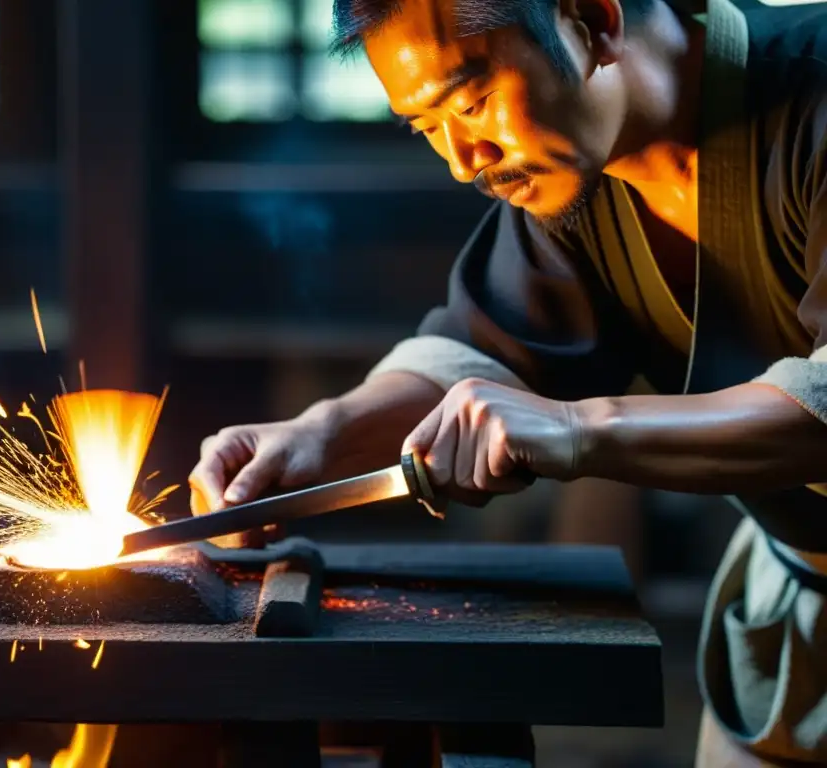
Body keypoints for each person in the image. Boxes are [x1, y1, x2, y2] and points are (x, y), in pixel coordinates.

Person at [188, 0, 827, 763]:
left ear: (595, 20)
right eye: (428, 128)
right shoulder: (576, 175)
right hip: (796, 611)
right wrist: (316, 436)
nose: (464, 160)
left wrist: (574, 430)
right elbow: (480, 354)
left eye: (471, 101)